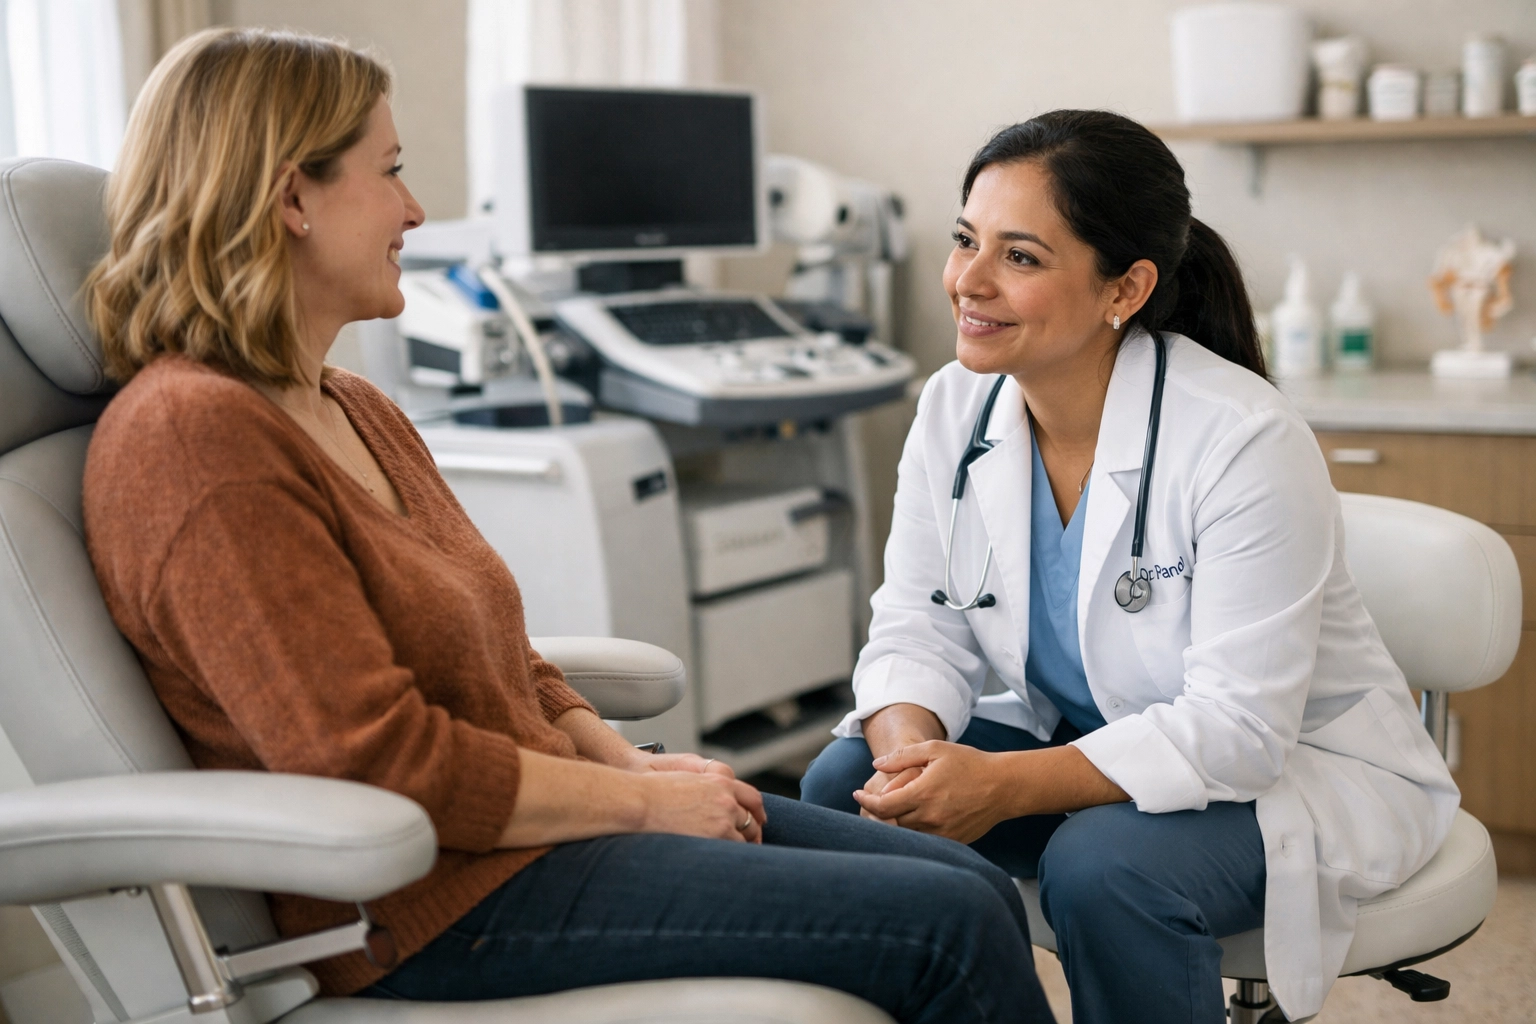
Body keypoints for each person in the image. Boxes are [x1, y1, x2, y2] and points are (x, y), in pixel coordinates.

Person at [80, 28, 1055, 1024]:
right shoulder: (196, 441)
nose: (417, 209)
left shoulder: (351, 405)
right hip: (432, 903)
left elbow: (508, 655)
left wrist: (628, 765)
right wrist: (639, 804)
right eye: (393, 172)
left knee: (967, 884)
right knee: (948, 925)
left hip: (543, 835)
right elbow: (376, 764)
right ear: (292, 198)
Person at [799, 110, 1458, 1024]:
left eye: (1020, 257)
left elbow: (1239, 731)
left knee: (1103, 866)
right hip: (1091, 733)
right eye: (965, 241)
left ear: (1126, 287)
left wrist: (1002, 785)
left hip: (1293, 770)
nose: (968, 282)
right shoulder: (955, 407)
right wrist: (914, 764)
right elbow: (919, 622)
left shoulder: (1241, 437)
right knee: (844, 787)